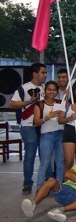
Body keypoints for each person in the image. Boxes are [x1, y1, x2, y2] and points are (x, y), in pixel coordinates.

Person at [10, 63, 47, 193]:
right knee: (30, 155)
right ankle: (27, 183)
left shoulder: (46, 89)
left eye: (46, 72)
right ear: (35, 74)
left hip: (42, 126)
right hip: (28, 125)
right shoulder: (24, 88)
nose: (45, 75)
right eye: (43, 72)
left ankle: (45, 182)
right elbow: (12, 104)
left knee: (45, 155)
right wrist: (30, 101)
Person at [33, 81, 65, 191]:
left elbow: (65, 118)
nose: (52, 92)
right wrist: (48, 116)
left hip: (60, 134)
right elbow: (36, 122)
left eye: (54, 90)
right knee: (45, 163)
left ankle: (59, 187)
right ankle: (39, 189)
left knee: (60, 162)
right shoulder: (39, 104)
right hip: (47, 135)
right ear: (45, 91)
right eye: (49, 89)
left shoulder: (61, 103)